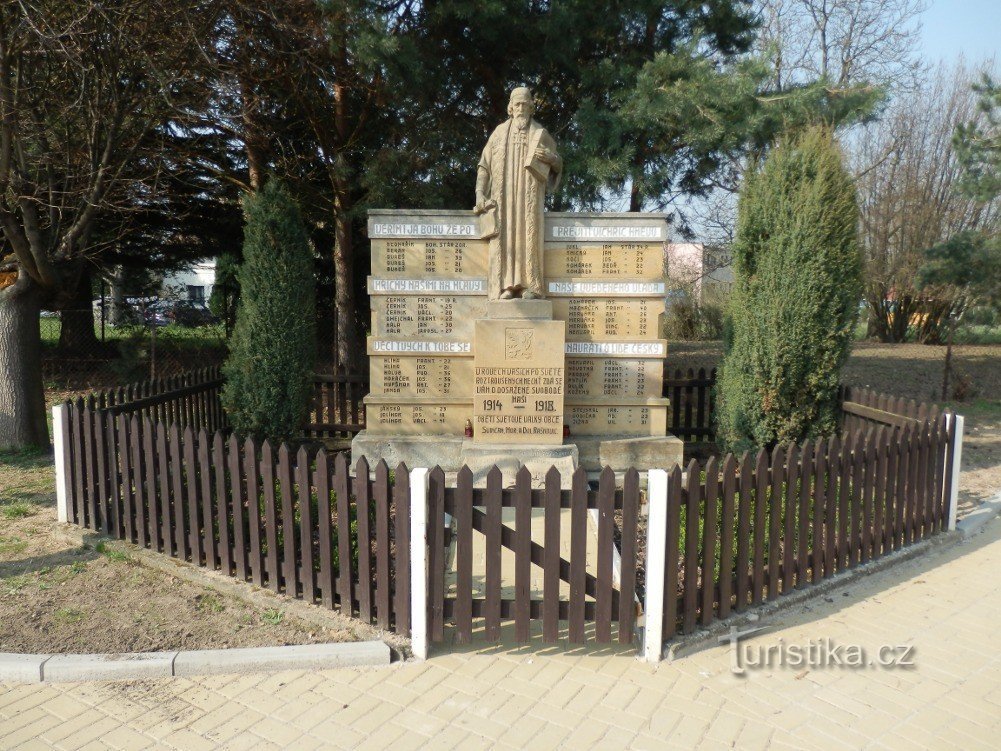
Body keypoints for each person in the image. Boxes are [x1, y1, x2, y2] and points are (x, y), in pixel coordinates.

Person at [474, 87, 562, 300]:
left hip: (529, 200)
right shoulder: (499, 133)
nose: (521, 108)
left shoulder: (540, 134)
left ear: (532, 107)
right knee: (505, 239)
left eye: (525, 104)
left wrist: (552, 159)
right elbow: (484, 166)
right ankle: (506, 286)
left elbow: (558, 164)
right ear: (510, 108)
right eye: (517, 104)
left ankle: (529, 287)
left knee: (528, 237)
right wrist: (479, 193)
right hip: (503, 199)